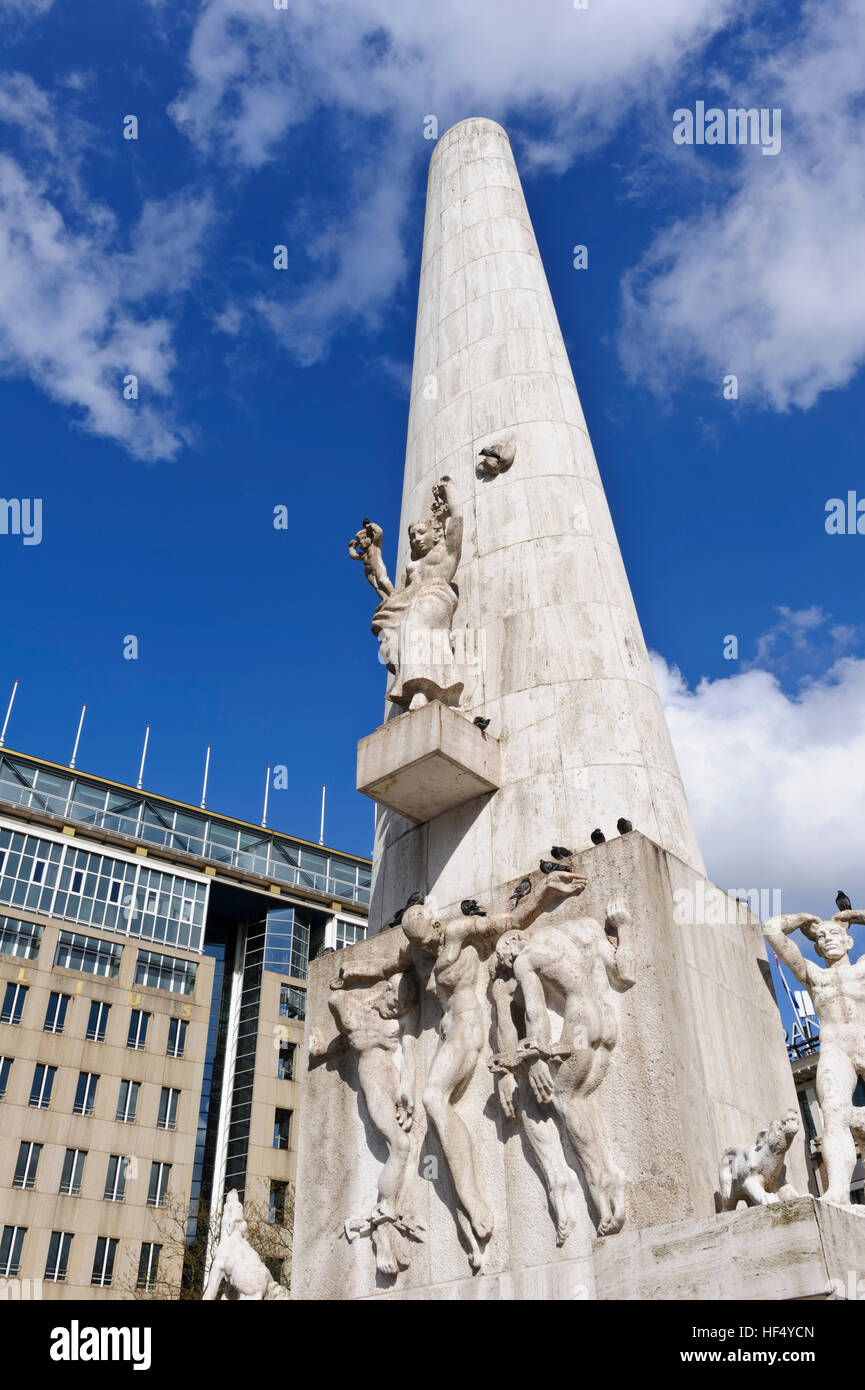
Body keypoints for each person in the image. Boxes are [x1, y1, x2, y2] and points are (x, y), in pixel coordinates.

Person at [493, 897, 636, 1235]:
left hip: (579, 1019)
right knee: (580, 1100)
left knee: (565, 1101)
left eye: (504, 958)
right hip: (605, 1020)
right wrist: (624, 928)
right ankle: (608, 1176)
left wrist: (538, 1056)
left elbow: (535, 1012)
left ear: (514, 941)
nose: (507, 964)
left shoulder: (526, 959)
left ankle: (603, 1184)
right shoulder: (582, 931)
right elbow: (624, 973)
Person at [763, 907, 865, 1204]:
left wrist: (853, 915)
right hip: (835, 1048)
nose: (828, 939)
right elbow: (771, 930)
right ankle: (838, 1192)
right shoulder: (814, 975)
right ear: (817, 946)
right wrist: (804, 919)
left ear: (849, 942)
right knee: (834, 1117)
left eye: (834, 934)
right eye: (821, 937)